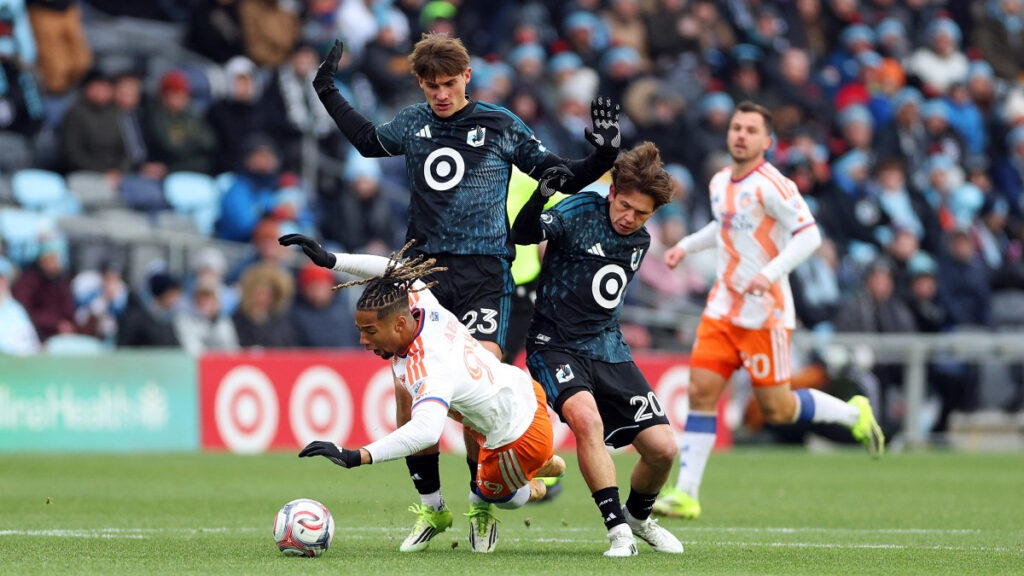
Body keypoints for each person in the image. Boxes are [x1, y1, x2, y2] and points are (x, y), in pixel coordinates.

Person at [313, 33, 622, 551]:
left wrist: (604, 157)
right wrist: (327, 90)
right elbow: (368, 141)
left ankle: (483, 505)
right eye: (431, 85)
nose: (441, 94)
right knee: (409, 395)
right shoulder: (413, 123)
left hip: (484, 276)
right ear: (419, 83)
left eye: (450, 84)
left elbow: (560, 177)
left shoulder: (500, 125)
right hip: (422, 274)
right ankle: (433, 511)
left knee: (474, 388)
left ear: (467, 77)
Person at [653, 101, 885, 521]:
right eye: (736, 127)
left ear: (767, 141)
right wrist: (687, 245)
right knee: (702, 392)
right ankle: (687, 493)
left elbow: (809, 235)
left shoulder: (773, 185)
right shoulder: (720, 180)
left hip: (765, 315)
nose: (741, 135)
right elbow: (723, 227)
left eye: (750, 130)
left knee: (778, 408)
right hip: (722, 309)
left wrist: (771, 272)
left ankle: (853, 412)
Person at [280, 235, 566, 553]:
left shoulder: (429, 367)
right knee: (463, 411)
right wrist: (333, 261)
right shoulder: (419, 304)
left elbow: (426, 431)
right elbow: (393, 268)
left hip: (521, 435)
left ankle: (538, 475)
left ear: (399, 324)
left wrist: (356, 456)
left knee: (499, 495)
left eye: (370, 331)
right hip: (512, 393)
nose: (363, 340)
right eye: (361, 330)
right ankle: (442, 507)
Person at [509, 142, 684, 557]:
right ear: (611, 193)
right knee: (587, 421)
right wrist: (542, 197)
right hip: (555, 345)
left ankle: (639, 518)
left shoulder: (639, 243)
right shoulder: (580, 209)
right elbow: (524, 234)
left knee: (663, 449)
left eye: (641, 213)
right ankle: (617, 530)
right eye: (624, 206)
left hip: (609, 348)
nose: (629, 218)